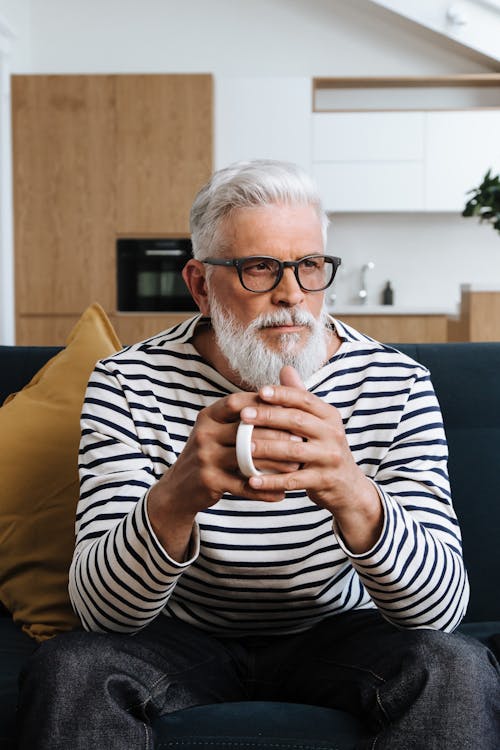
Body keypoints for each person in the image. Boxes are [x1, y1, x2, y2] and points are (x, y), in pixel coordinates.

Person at [18, 160, 499, 749]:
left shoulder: (396, 383)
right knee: (70, 667)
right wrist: (178, 494)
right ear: (199, 283)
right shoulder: (127, 383)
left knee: (455, 664)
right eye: (259, 268)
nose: (292, 294)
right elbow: (102, 616)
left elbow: (439, 612)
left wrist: (353, 492)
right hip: (180, 635)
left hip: (340, 632)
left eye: (310, 266)